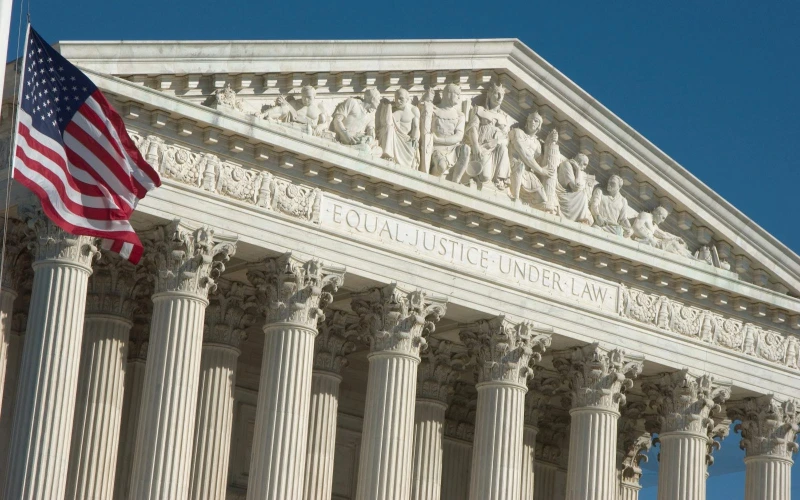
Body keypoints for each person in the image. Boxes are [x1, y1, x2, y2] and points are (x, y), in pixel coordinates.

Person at [461, 81, 511, 188]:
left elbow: (506, 139)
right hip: (481, 147)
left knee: (504, 148)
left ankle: (499, 180)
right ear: (489, 94)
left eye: (502, 95)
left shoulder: (503, 117)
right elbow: (472, 129)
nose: (499, 97)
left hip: (495, 148)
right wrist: (475, 146)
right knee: (485, 176)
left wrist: (496, 141)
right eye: (497, 93)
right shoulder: (479, 110)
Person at [509, 111, 558, 214]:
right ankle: (516, 198)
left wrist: (549, 143)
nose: (532, 122)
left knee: (542, 199)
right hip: (514, 165)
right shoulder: (518, 132)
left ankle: (527, 205)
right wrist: (540, 170)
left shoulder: (537, 145)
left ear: (539, 126)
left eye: (536, 121)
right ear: (527, 122)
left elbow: (540, 161)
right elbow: (524, 154)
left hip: (528, 172)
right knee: (520, 166)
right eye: (530, 120)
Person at [427, 84, 470, 179]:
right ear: (448, 94)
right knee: (442, 167)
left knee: (466, 149)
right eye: (457, 94)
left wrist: (438, 139)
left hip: (453, 148)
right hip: (436, 148)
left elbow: (459, 136)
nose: (459, 98)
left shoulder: (459, 115)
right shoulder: (434, 110)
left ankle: (456, 182)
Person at [376, 88, 420, 169]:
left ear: (407, 99)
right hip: (393, 136)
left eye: (401, 99)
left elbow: (416, 127)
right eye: (396, 99)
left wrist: (416, 138)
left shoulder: (413, 110)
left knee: (411, 144)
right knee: (389, 128)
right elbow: (386, 122)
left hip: (406, 139)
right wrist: (388, 107)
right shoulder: (393, 109)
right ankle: (388, 155)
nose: (398, 101)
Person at [556, 153, 594, 225]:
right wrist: (578, 170)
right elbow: (575, 187)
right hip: (563, 195)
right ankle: (581, 218)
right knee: (582, 194)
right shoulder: (566, 165)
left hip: (571, 195)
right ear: (579, 161)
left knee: (583, 194)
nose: (585, 167)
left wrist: (578, 170)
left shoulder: (576, 170)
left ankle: (582, 218)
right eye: (584, 164)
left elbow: (578, 187)